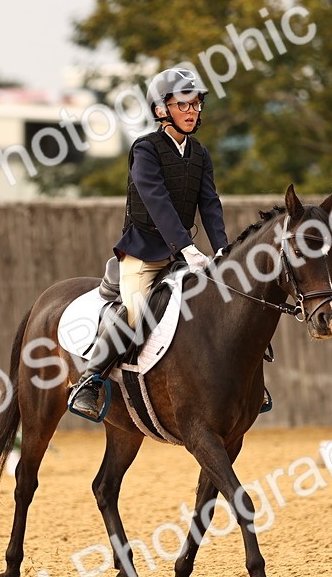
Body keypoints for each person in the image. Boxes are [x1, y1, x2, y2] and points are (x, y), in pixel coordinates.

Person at [67, 67, 230, 421]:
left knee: (221, 307)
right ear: (161, 109)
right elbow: (157, 202)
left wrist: (222, 251)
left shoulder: (200, 154)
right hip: (144, 253)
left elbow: (210, 205)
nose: (192, 111)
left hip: (183, 256)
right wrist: (187, 247)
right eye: (183, 104)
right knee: (136, 313)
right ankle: (89, 380)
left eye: (196, 104)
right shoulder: (146, 150)